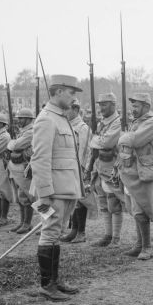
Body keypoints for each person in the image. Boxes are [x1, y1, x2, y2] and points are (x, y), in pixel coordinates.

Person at [29, 74, 84, 301]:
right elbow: (40, 159)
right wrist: (45, 194)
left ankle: (54, 281)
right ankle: (46, 285)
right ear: (59, 91)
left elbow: (70, 158)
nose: (73, 98)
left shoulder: (61, 118)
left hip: (66, 189)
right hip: (52, 192)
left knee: (57, 234)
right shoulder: (46, 119)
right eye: (71, 92)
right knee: (50, 234)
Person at [117, 92, 153, 260]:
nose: (133, 109)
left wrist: (122, 137)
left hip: (143, 172)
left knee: (141, 210)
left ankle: (147, 247)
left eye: (136, 106)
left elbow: (133, 141)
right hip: (132, 172)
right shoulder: (138, 122)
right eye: (133, 106)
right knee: (135, 210)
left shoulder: (151, 123)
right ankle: (139, 244)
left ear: (146, 107)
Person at [86, 93, 124, 247]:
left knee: (114, 204)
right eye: (100, 105)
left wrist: (95, 141)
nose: (101, 108)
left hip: (113, 167)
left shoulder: (118, 122)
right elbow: (94, 145)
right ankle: (107, 235)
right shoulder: (102, 123)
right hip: (100, 166)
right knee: (103, 204)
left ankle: (116, 238)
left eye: (105, 104)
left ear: (113, 105)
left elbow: (107, 142)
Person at [60, 98, 91, 244]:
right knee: (73, 200)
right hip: (68, 167)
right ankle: (73, 230)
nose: (65, 112)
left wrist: (81, 169)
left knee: (81, 201)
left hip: (79, 167)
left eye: (68, 109)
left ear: (76, 110)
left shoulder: (82, 127)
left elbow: (84, 151)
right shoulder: (65, 125)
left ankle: (81, 232)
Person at [6, 108, 36, 234]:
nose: (19, 120)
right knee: (21, 196)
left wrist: (12, 143)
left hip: (27, 167)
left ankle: (46, 224)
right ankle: (24, 222)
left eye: (22, 118)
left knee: (33, 197)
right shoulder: (23, 131)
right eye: (19, 118)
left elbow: (15, 145)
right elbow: (13, 145)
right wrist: (13, 143)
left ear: (29, 119)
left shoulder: (30, 132)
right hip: (18, 167)